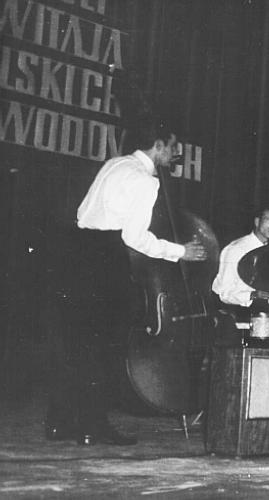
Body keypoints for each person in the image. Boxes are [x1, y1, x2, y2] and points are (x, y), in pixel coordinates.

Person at [46, 118, 207, 445]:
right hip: (106, 258)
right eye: (172, 147)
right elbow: (134, 238)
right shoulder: (146, 182)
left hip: (77, 251)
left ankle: (59, 422)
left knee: (76, 343)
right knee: (105, 345)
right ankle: (92, 427)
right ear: (158, 146)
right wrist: (180, 251)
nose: (175, 153)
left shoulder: (114, 164)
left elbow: (82, 213)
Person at [211, 207, 269, 315]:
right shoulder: (236, 249)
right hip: (234, 314)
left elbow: (268, 295)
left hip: (262, 313)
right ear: (257, 221)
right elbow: (224, 293)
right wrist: (252, 295)